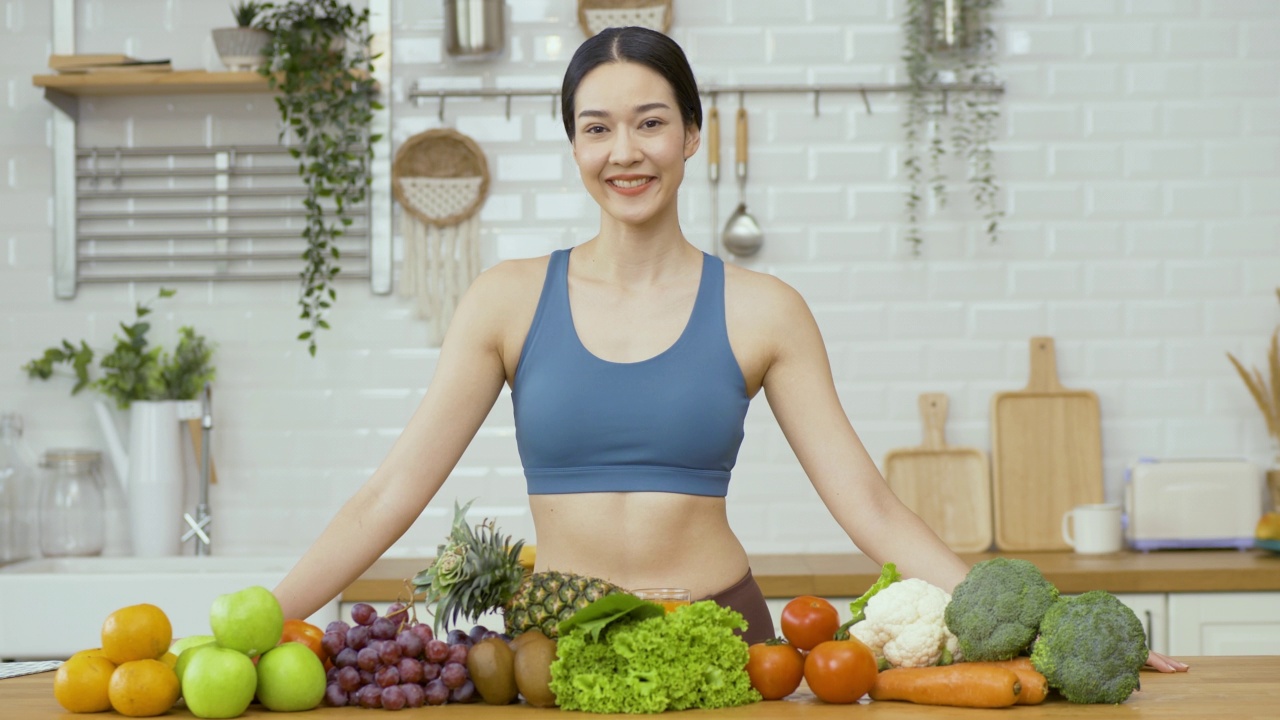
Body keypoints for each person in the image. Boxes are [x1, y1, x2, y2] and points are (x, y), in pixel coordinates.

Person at [273, 26, 1186, 671]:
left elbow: (869, 505)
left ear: (692, 137)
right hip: (558, 648)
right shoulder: (506, 300)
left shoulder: (764, 310)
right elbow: (391, 493)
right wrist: (259, 623)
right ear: (573, 146)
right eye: (597, 127)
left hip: (725, 637)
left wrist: (1057, 626)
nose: (624, 151)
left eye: (650, 121)